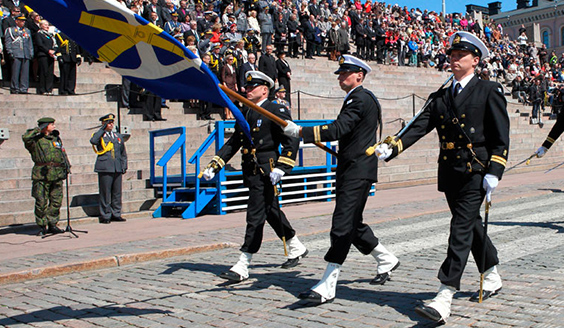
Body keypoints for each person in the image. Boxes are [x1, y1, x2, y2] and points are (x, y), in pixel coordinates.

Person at [376, 31, 509, 324]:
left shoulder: (489, 90)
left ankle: (444, 294)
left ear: (476, 60)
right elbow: (418, 125)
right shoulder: (441, 95)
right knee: (471, 225)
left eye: (461, 55)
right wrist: (392, 146)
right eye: (452, 54)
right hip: (451, 172)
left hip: (476, 172)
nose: (454, 59)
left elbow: (501, 137)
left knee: (460, 228)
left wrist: (495, 172)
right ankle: (491, 273)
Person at [283, 55, 399, 304]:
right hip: (354, 167)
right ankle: (386, 258)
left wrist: (301, 132)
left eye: (345, 72)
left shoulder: (359, 98)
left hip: (357, 170)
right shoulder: (358, 98)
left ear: (359, 75)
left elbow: (338, 128)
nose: (340, 76)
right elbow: (348, 132)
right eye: (339, 72)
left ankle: (328, 282)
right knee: (353, 224)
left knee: (342, 223)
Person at [201, 70, 308, 282]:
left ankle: (244, 262)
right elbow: (235, 142)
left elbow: (291, 139)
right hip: (251, 170)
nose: (247, 90)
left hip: (267, 170)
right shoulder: (247, 112)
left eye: (252, 87)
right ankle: (295, 246)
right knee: (270, 210)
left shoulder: (275, 108)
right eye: (246, 87)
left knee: (255, 214)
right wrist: (216, 163)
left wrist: (282, 167)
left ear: (264, 89)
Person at [22, 117, 70, 236]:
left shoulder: (56, 138)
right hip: (42, 174)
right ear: (45, 126)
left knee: (56, 201)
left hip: (57, 173)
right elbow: (25, 137)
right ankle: (42, 225)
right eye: (51, 124)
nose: (54, 126)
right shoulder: (35, 140)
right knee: (41, 201)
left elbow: (62, 153)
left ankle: (53, 224)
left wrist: (67, 166)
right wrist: (39, 129)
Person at [90, 114, 128, 224]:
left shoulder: (117, 136)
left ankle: (116, 213)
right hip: (105, 167)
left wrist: (124, 165)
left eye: (112, 123)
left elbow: (123, 152)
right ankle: (105, 215)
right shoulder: (100, 135)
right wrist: (102, 129)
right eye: (108, 123)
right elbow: (93, 141)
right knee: (105, 193)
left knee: (117, 193)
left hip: (117, 167)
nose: (111, 125)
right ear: (103, 123)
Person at [5, 14, 33, 94]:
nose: (23, 22)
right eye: (21, 21)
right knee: (15, 72)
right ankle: (15, 88)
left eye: (24, 21)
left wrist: (31, 52)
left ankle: (24, 88)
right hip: (16, 53)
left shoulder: (27, 31)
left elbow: (29, 43)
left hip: (25, 53)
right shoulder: (11, 30)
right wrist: (10, 51)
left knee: (25, 73)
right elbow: (8, 42)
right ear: (16, 21)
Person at [34, 20, 56, 95]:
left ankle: (49, 89)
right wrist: (48, 51)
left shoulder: (50, 35)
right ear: (41, 25)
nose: (47, 26)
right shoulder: (39, 34)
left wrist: (54, 51)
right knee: (44, 72)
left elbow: (55, 44)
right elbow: (40, 44)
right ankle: (43, 89)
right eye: (45, 25)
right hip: (43, 55)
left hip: (51, 56)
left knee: (50, 73)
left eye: (48, 25)